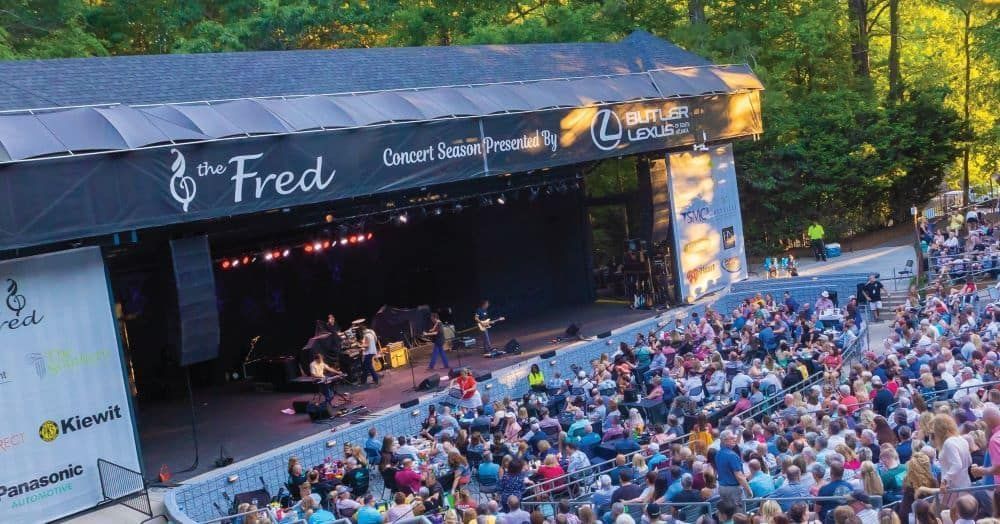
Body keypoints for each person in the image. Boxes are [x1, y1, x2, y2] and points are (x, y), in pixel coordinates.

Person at [716, 430, 752, 508]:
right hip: (733, 490)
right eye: (731, 438)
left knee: (729, 514)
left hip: (722, 488)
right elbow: (739, 476)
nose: (734, 439)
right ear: (725, 441)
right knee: (739, 515)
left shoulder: (718, 454)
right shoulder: (732, 455)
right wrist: (749, 491)